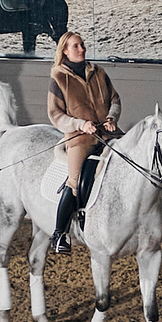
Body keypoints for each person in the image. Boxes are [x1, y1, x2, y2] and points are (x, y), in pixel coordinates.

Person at [46, 31, 121, 256]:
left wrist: (111, 118)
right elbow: (55, 114)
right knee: (75, 181)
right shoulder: (59, 78)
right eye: (76, 46)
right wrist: (79, 124)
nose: (82, 49)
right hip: (80, 138)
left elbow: (115, 99)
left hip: (107, 134)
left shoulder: (98, 72)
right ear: (65, 51)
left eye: (82, 45)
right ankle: (60, 233)